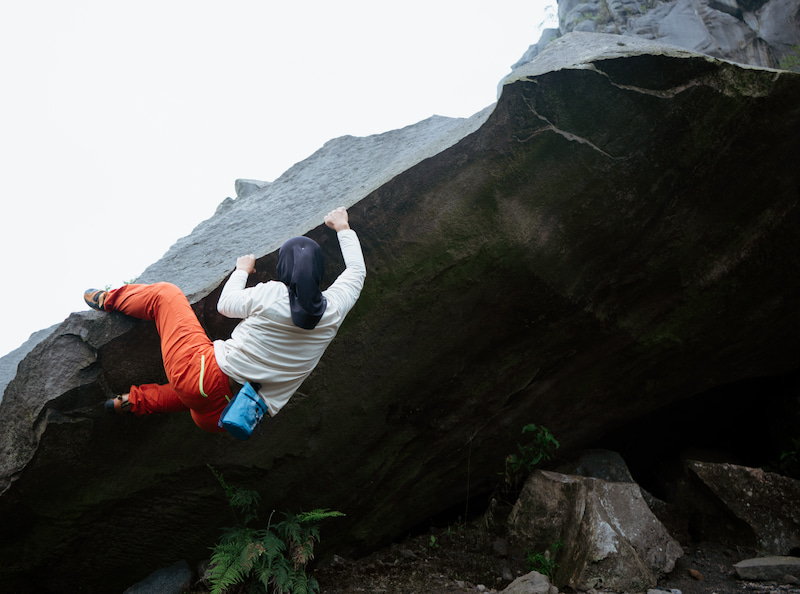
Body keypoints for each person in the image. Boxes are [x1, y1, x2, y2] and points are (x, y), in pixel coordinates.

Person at [83, 207, 365, 436]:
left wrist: (242, 271)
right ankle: (134, 403)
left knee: (165, 295)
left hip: (201, 379)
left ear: (284, 270)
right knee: (194, 394)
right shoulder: (335, 309)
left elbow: (225, 305)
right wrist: (343, 227)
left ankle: (108, 299)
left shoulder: (275, 293)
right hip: (226, 415)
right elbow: (356, 271)